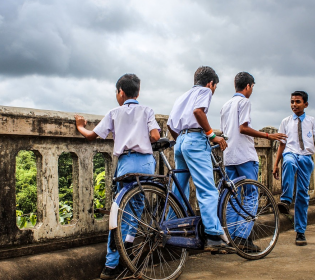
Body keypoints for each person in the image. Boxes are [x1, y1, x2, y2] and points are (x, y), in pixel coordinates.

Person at [75, 74, 160, 279]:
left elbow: (91, 135)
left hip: (127, 164)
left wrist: (79, 125)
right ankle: (128, 246)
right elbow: (156, 136)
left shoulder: (114, 113)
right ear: (137, 92)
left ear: (120, 92)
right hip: (147, 163)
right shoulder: (147, 110)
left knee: (120, 209)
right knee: (137, 205)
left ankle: (111, 264)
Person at [220, 72, 287, 251]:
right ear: (248, 86)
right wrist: (268, 135)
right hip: (244, 155)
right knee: (251, 195)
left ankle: (230, 239)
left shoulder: (225, 105)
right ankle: (242, 237)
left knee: (232, 198)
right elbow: (243, 128)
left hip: (229, 156)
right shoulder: (244, 102)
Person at [167, 66, 229, 252]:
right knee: (207, 188)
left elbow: (171, 123)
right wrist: (212, 136)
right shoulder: (204, 91)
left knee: (179, 188)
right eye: (214, 87)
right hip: (195, 139)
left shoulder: (182, 97)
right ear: (210, 83)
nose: (213, 90)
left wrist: (182, 141)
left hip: (181, 141)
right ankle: (212, 235)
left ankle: (173, 227)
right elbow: (198, 112)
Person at [273, 91, 315, 246]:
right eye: (292, 101)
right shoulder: (286, 122)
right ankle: (286, 199)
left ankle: (300, 231)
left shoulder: (312, 122)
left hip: (306, 157)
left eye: (298, 102)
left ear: (305, 104)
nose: (294, 104)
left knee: (302, 194)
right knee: (288, 162)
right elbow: (282, 144)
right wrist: (275, 164)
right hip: (290, 153)